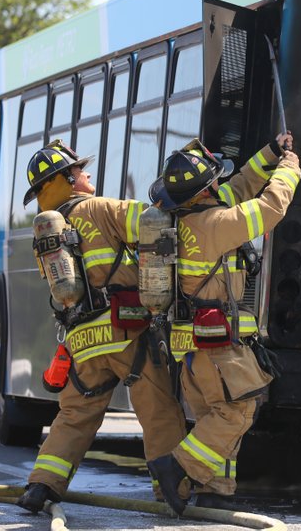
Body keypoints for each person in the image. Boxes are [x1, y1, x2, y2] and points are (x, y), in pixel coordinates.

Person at [16, 140, 186, 512]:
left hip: (82, 339)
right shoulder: (100, 208)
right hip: (125, 330)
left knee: (75, 414)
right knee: (158, 407)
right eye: (79, 170)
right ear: (66, 179)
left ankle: (40, 486)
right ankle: (175, 491)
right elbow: (154, 224)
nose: (87, 174)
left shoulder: (44, 235)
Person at [147, 133, 300, 514]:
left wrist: (271, 151)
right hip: (217, 347)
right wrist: (290, 170)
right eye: (215, 178)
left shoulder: (187, 218)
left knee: (212, 416)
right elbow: (269, 208)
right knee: (239, 410)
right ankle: (178, 467)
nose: (221, 183)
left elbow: (242, 184)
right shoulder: (217, 224)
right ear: (205, 189)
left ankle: (214, 491)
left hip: (192, 347)